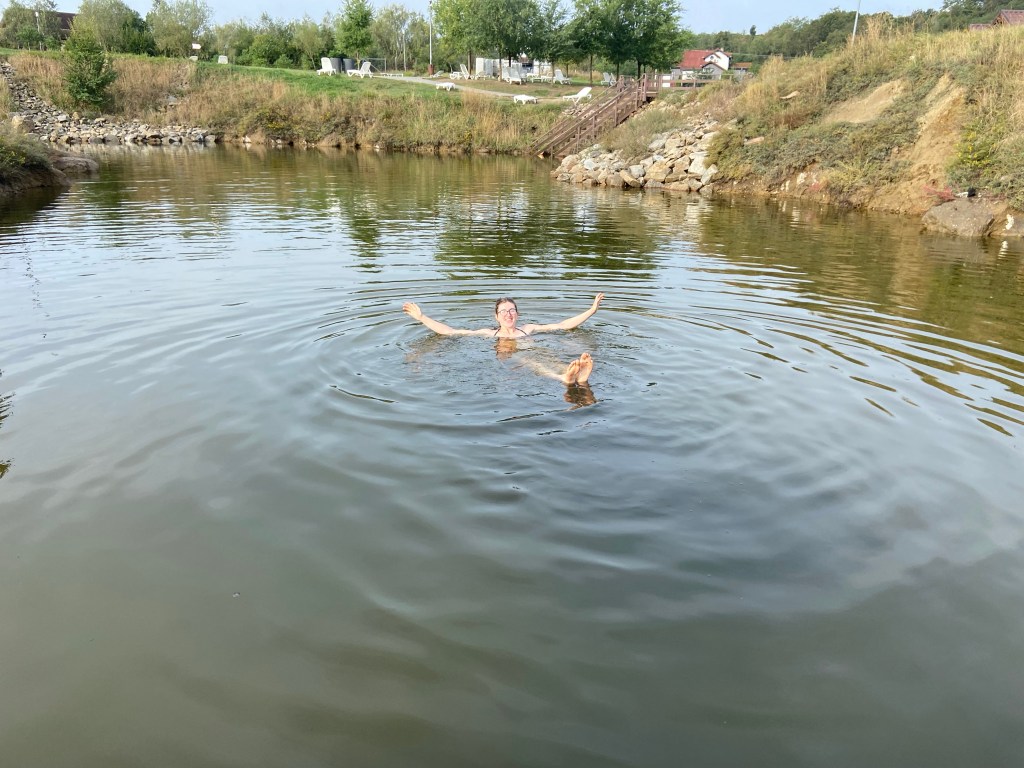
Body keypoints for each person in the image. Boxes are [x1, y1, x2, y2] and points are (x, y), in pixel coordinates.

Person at [403, 294, 604, 385]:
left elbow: (563, 325)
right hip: (511, 356)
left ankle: (578, 376)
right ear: (496, 316)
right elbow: (450, 332)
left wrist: (591, 310)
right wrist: (422, 317)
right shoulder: (490, 333)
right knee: (528, 360)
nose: (508, 314)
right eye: (503, 311)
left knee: (546, 354)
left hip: (531, 347)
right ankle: (563, 378)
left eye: (512, 310)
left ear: (517, 314)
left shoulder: (528, 329)